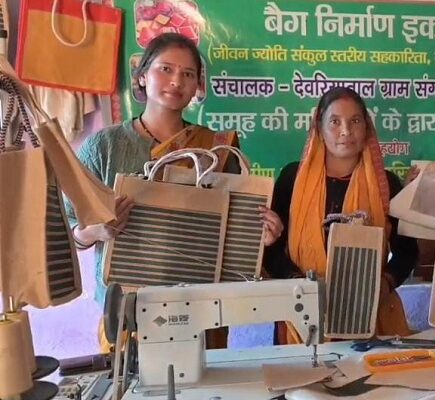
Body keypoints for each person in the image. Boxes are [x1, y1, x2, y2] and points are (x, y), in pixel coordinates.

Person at [66, 33, 283, 350]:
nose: (176, 81)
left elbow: (235, 234)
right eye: (165, 69)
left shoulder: (217, 149)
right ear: (142, 76)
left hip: (203, 309)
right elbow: (69, 228)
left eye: (188, 74)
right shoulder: (104, 147)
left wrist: (260, 237)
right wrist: (97, 230)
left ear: (197, 86)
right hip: (129, 312)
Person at [264, 87, 418, 344]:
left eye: (355, 121)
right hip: (301, 315)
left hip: (371, 317)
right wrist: (302, 286)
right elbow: (273, 250)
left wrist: (384, 285)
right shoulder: (293, 179)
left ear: (366, 127)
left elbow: (407, 252)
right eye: (335, 122)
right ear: (319, 128)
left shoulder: (385, 184)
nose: (346, 131)